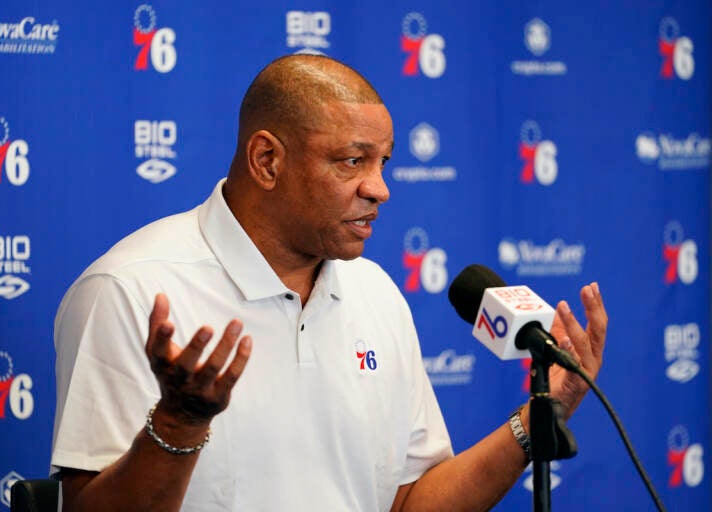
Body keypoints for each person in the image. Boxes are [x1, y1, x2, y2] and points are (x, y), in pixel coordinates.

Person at [51, 54, 607, 511]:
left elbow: (410, 502)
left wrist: (538, 418)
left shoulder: (374, 293)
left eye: (384, 163)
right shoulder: (131, 290)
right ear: (267, 160)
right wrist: (179, 421)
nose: (380, 189)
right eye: (351, 162)